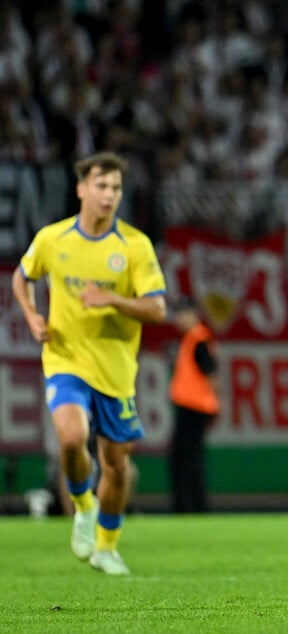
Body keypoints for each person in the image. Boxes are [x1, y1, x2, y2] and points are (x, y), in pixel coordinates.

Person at [11, 151, 167, 575]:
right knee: (70, 437)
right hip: (65, 359)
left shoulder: (133, 245)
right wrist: (31, 316)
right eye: (101, 186)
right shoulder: (52, 240)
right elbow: (21, 277)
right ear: (81, 189)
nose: (109, 195)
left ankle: (107, 545)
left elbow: (157, 309)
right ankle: (83, 504)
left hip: (116, 372)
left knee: (116, 464)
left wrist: (112, 299)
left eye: (116, 188)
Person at [168, 297, 220, 513]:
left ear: (192, 313)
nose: (178, 319)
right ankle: (189, 505)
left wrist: (213, 402)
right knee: (186, 459)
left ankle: (191, 506)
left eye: (181, 314)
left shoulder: (198, 338)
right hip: (192, 406)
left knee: (187, 460)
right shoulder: (193, 338)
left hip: (194, 408)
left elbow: (212, 375)